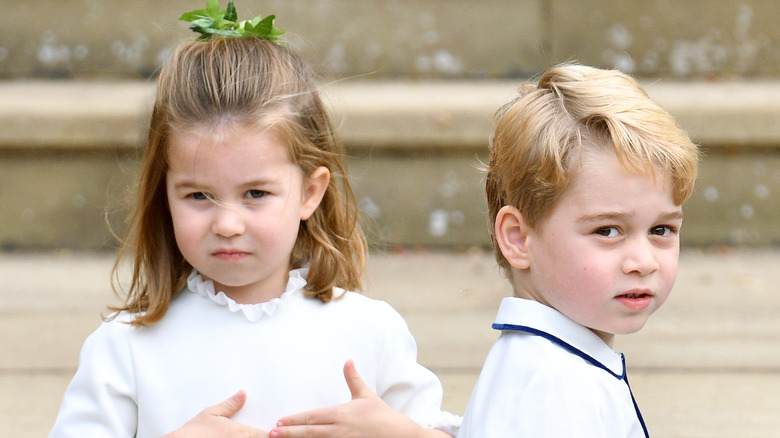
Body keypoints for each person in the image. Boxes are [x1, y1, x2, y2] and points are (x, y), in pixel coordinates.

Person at [49, 3, 459, 437]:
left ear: (309, 193)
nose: (227, 224)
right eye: (199, 195)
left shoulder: (370, 331)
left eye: (256, 194)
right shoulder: (125, 349)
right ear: (164, 195)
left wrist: (400, 434)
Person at [458, 64, 699, 437]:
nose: (643, 262)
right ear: (519, 238)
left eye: (661, 229)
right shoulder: (560, 386)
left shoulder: (544, 363)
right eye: (607, 230)